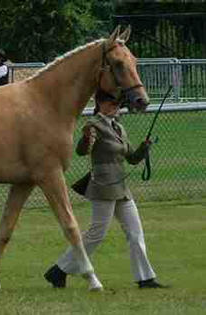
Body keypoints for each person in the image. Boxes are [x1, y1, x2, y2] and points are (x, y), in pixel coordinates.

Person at [44, 89, 168, 289]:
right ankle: (59, 270)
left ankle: (145, 278)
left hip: (121, 187)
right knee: (97, 233)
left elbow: (131, 158)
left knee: (135, 232)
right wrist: (86, 138)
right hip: (103, 186)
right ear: (99, 104)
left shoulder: (118, 127)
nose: (114, 106)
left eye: (116, 103)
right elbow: (82, 151)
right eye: (110, 103)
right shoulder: (93, 125)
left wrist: (144, 149)